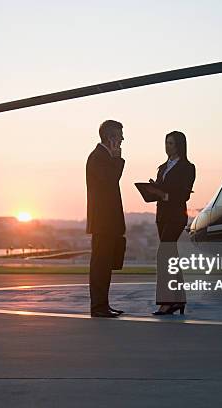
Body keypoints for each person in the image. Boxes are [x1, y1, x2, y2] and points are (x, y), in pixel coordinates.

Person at [146, 131, 196, 315]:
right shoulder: (162, 167)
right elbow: (161, 192)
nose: (167, 147)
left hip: (176, 216)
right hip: (162, 216)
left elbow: (183, 195)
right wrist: (152, 190)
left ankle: (167, 302)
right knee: (171, 256)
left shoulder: (188, 167)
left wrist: (162, 194)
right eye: (166, 143)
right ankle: (178, 300)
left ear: (180, 146)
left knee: (164, 255)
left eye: (171, 144)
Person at [86, 120, 126, 318]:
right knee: (100, 266)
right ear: (110, 138)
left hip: (107, 222)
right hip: (102, 222)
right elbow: (110, 181)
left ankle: (103, 305)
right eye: (119, 136)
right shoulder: (98, 158)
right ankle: (98, 307)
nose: (122, 140)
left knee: (105, 265)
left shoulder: (103, 157)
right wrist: (117, 159)